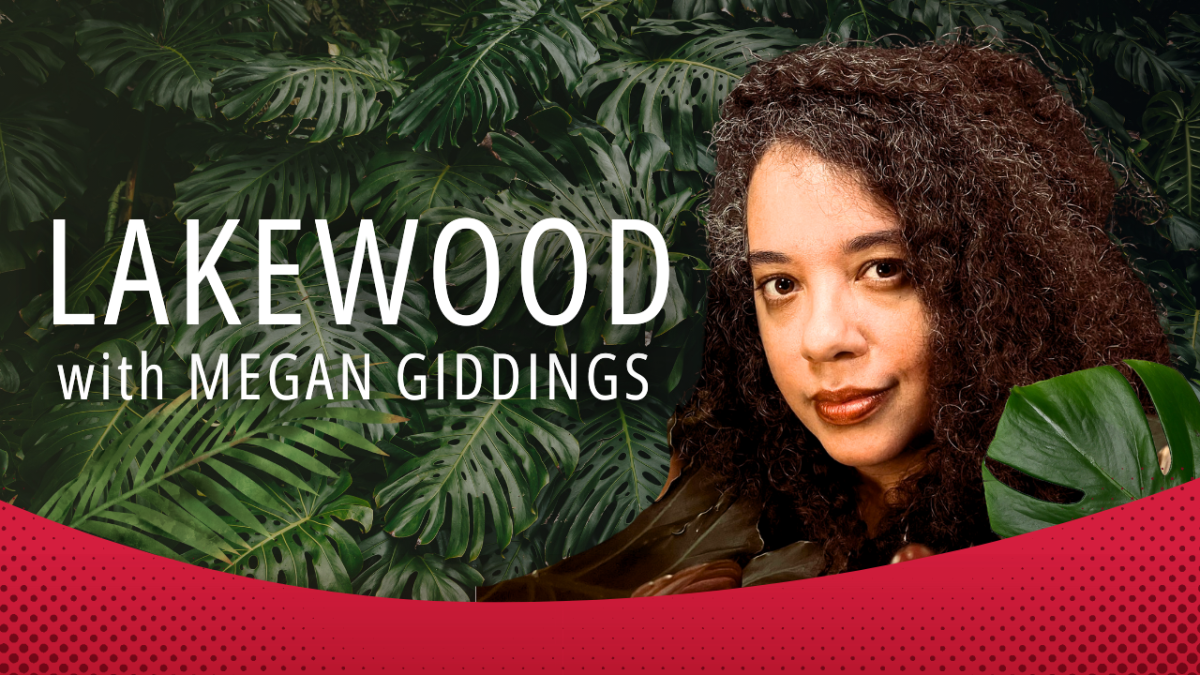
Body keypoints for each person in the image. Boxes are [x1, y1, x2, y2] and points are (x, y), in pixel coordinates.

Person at [478, 39, 1170, 600]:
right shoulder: (731, 489)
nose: (821, 338)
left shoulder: (1118, 517)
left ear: (997, 281)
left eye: (884, 270)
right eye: (780, 283)